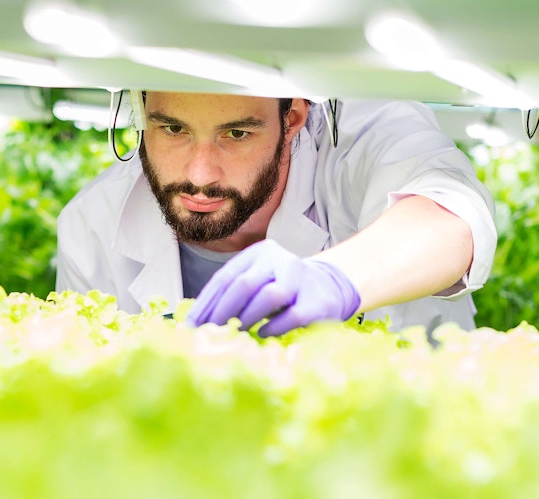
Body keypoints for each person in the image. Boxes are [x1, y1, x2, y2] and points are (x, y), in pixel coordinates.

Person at [56, 92, 497, 339]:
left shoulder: (360, 136)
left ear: (293, 118)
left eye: (236, 133)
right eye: (173, 129)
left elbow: (451, 212)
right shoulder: (93, 222)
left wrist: (334, 279)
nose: (199, 174)